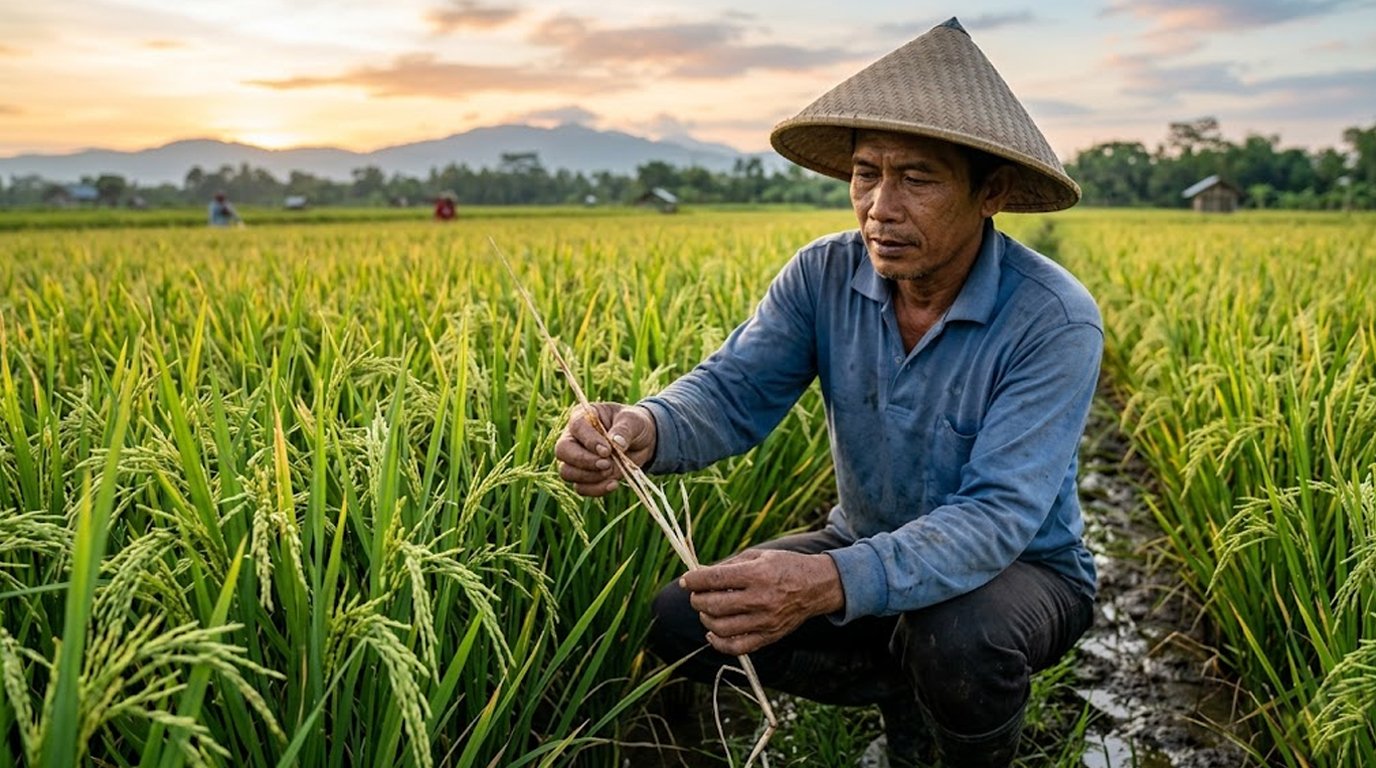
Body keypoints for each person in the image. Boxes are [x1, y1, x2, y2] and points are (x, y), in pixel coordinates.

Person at [555, 18, 1099, 768]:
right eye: (867, 173)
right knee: (685, 617)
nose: (880, 205)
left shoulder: (1052, 319)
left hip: (1020, 573)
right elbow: (735, 389)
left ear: (992, 191)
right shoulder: (822, 275)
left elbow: (995, 518)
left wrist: (825, 582)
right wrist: (645, 426)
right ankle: (896, 691)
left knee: (958, 640)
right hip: (864, 541)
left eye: (918, 178)